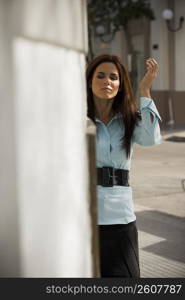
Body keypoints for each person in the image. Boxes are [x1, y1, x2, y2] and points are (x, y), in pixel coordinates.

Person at [86, 54, 162, 278]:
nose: (107, 81)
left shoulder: (129, 119)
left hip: (121, 217)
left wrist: (145, 90)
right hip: (85, 215)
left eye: (113, 77)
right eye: (100, 76)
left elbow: (150, 139)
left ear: (120, 85)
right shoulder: (78, 119)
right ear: (89, 81)